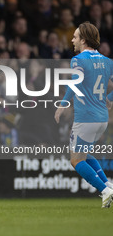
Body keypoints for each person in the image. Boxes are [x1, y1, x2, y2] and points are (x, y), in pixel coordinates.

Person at [55, 22, 113, 208]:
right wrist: (110, 98)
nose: (72, 40)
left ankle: (105, 190)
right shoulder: (107, 61)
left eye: (75, 37)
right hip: (102, 119)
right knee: (84, 154)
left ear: (84, 40)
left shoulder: (78, 59)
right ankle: (108, 184)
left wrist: (63, 104)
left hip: (86, 118)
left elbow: (75, 82)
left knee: (76, 160)